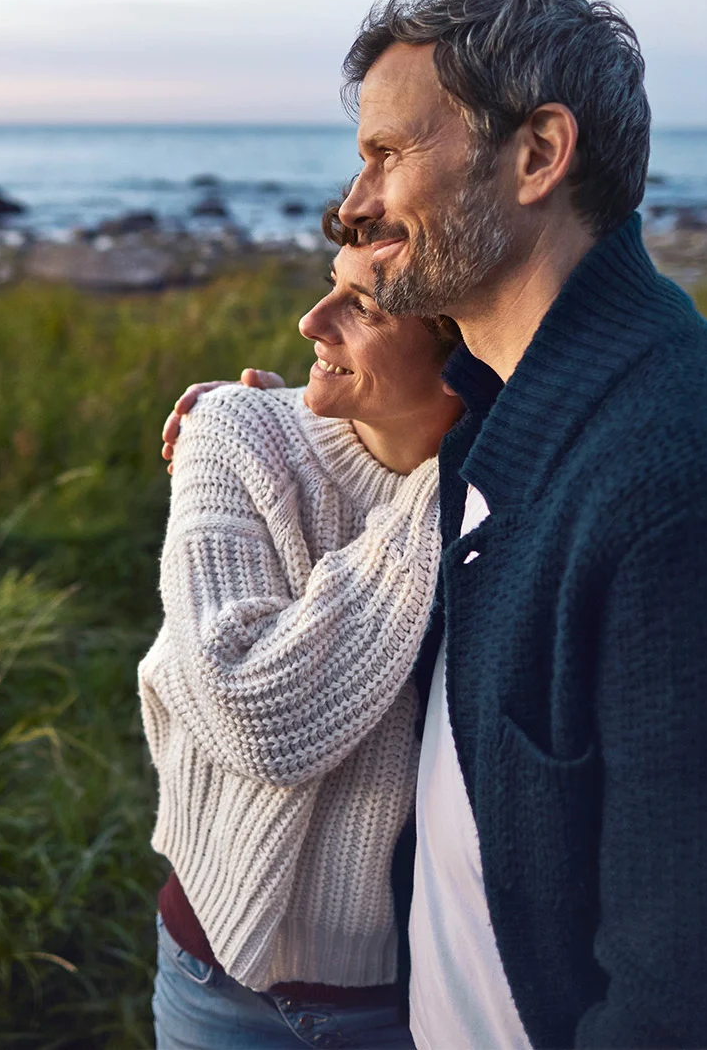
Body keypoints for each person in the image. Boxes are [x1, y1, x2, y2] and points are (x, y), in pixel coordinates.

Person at [161, 0, 707, 1048]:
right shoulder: (498, 419)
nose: (355, 201)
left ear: (537, 154)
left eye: (389, 152)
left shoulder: (683, 483)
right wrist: (246, 420)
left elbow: (704, 999)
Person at [141, 211, 460, 1049]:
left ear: (467, 356)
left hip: (420, 1000)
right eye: (331, 287)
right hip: (220, 988)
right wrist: (444, 489)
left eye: (365, 308)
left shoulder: (513, 498)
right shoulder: (236, 428)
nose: (313, 322)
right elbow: (255, 709)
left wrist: (458, 472)